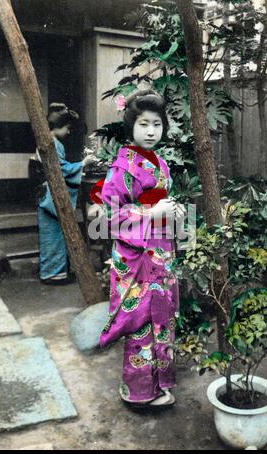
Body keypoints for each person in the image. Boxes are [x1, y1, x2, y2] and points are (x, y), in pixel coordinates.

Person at [98, 89, 186, 407]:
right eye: (144, 124)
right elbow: (110, 216)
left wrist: (173, 212)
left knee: (163, 317)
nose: (151, 131)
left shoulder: (161, 164)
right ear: (131, 125)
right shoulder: (121, 168)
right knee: (142, 321)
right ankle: (138, 392)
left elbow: (164, 204)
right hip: (137, 257)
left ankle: (161, 383)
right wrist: (152, 213)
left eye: (157, 125)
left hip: (161, 250)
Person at [33, 103, 93, 285]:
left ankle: (55, 270)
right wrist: (83, 163)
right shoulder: (51, 143)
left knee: (55, 235)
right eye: (67, 127)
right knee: (53, 236)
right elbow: (61, 169)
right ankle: (52, 273)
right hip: (50, 196)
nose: (68, 132)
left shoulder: (51, 142)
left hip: (47, 193)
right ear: (58, 126)